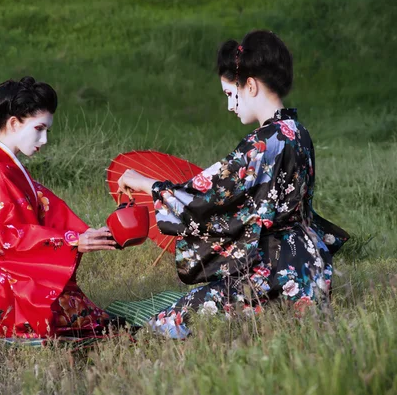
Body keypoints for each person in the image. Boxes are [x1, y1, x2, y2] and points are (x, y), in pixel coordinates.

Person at [117, 30, 349, 338]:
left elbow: (205, 197)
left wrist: (143, 182)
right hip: (312, 266)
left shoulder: (263, 143)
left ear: (250, 85)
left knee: (169, 321)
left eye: (230, 94)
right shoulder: (298, 132)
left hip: (276, 270)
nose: (229, 106)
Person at [0, 77, 118, 339]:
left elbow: (49, 208)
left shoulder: (7, 169)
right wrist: (72, 240)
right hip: (3, 284)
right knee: (83, 324)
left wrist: (84, 234)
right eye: (39, 129)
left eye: (47, 131)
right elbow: (10, 236)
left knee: (89, 319)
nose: (44, 139)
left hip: (14, 271)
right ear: (14, 123)